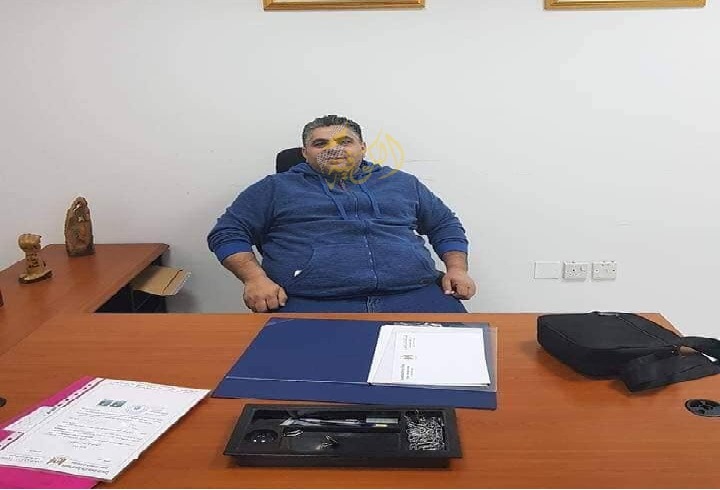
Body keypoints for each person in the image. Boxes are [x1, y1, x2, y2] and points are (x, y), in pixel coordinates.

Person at [207, 115, 476, 313]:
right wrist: (255, 279)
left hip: (415, 295)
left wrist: (457, 269)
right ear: (304, 153)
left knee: (459, 368)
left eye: (345, 141)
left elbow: (444, 224)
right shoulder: (274, 188)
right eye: (320, 143)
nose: (333, 149)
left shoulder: (402, 183)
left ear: (363, 147)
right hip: (310, 301)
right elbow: (228, 232)